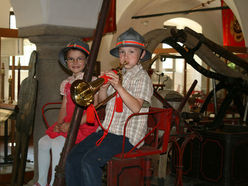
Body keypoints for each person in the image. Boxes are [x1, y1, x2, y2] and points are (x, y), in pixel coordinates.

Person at [65, 27, 153, 186]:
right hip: (107, 131)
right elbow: (103, 104)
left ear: (141, 55)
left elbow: (136, 108)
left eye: (131, 52)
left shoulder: (143, 78)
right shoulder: (119, 75)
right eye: (122, 52)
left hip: (128, 136)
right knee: (72, 157)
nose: (125, 56)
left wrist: (119, 87)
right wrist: (104, 89)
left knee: (89, 161)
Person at [34, 40, 99, 186]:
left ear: (87, 61)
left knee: (57, 144)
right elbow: (63, 108)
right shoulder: (67, 82)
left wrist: (72, 126)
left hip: (84, 124)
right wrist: (59, 123)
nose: (75, 62)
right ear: (66, 61)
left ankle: (54, 182)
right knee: (42, 142)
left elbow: (92, 110)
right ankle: (41, 181)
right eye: (71, 59)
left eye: (79, 58)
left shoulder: (91, 81)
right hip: (68, 123)